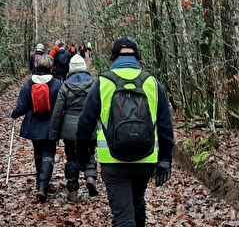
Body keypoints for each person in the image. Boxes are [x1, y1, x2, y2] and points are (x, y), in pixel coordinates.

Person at [75, 36, 174, 227]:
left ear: (113, 58)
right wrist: (165, 159)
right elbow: (165, 125)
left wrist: (83, 156)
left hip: (113, 161)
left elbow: (85, 124)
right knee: (137, 202)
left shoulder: (102, 82)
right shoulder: (152, 83)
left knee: (123, 216)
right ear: (138, 57)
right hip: (146, 159)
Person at [11, 55, 62, 203]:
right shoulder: (57, 84)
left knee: (38, 153)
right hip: (51, 126)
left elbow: (21, 108)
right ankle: (43, 185)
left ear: (35, 66)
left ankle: (40, 181)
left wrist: (13, 114)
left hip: (33, 125)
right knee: (48, 154)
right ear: (51, 67)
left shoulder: (28, 84)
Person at [49, 54, 98, 201]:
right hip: (90, 127)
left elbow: (57, 112)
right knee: (89, 153)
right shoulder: (95, 84)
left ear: (71, 69)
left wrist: (53, 134)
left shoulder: (65, 86)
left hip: (70, 131)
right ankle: (90, 177)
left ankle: (72, 190)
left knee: (71, 158)